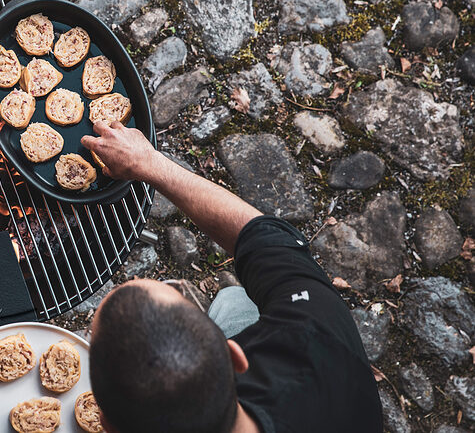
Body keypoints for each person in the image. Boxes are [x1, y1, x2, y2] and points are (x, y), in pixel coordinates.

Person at [81, 121, 383, 433]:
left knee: (232, 304)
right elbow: (260, 234)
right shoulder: (316, 332)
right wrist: (150, 162)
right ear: (234, 355)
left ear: (104, 425)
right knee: (234, 300)